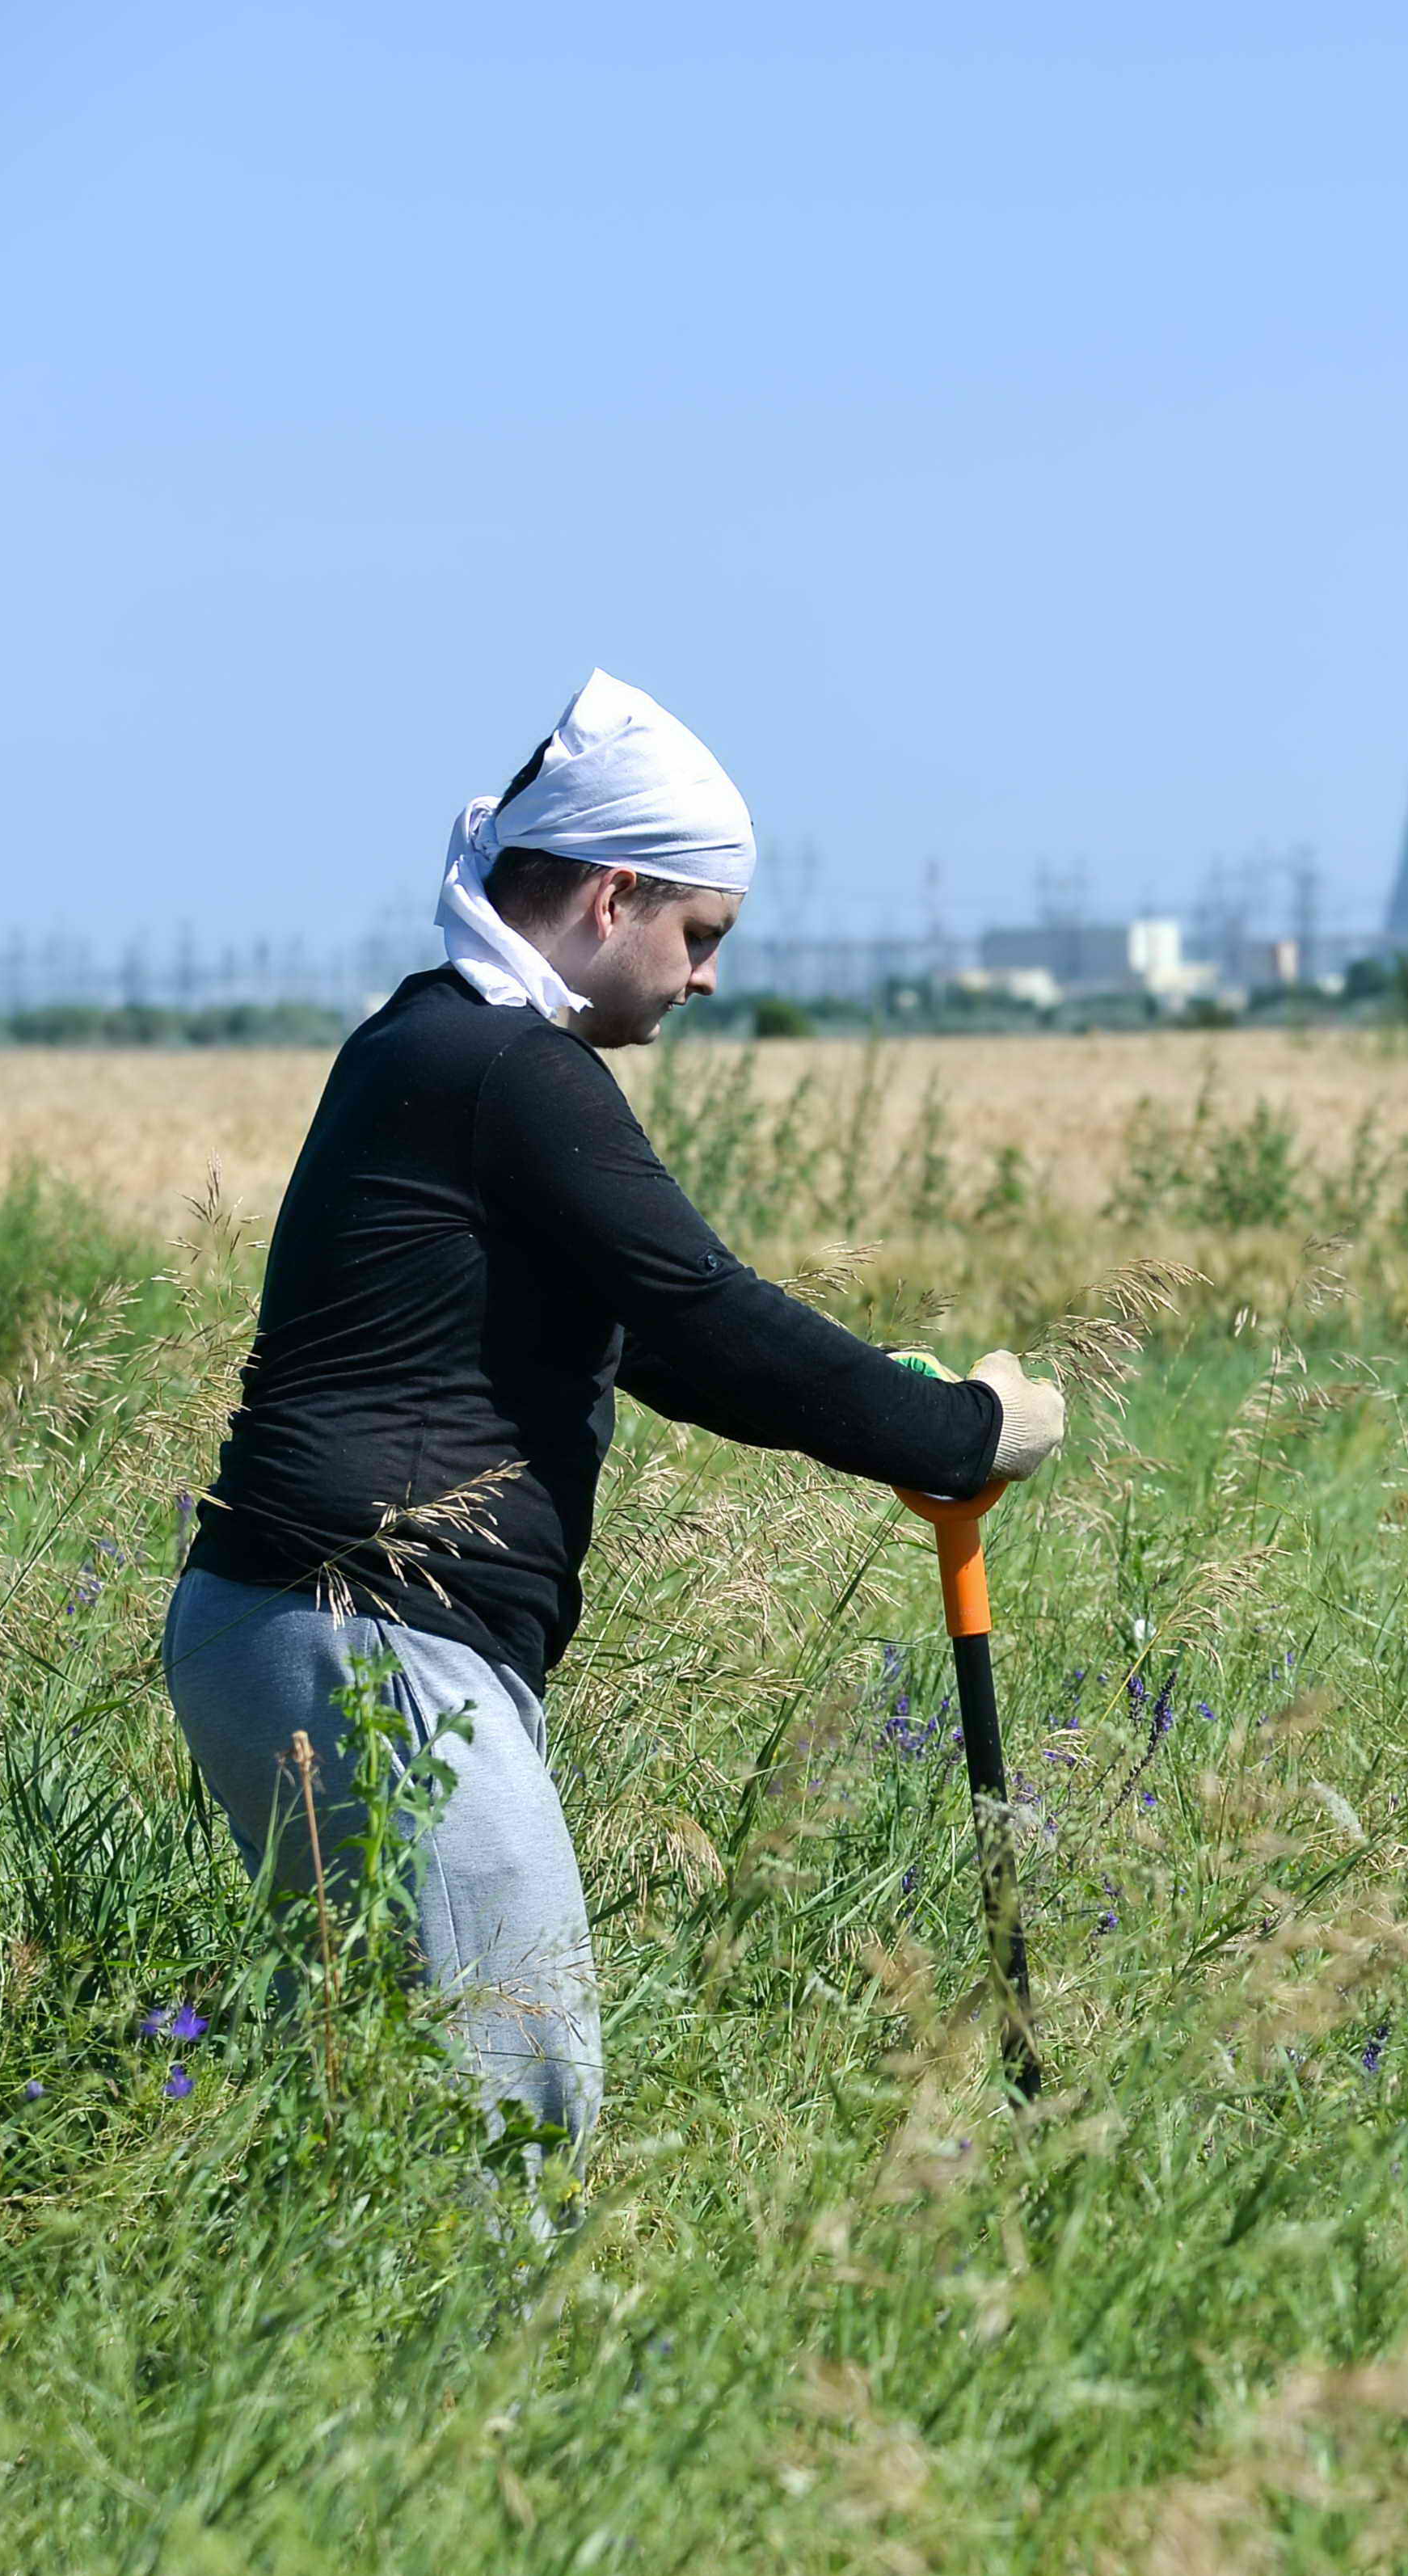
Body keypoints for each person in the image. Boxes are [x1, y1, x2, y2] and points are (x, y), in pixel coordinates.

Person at [162, 669, 1063, 2160]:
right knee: (511, 2098)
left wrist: (896, 1408)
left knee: (391, 2090)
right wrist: (965, 1436)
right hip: (373, 1638)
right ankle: (483, 2385)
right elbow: (710, 1305)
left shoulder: (430, 1040)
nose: (706, 977)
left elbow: (663, 1343)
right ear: (614, 896)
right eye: (699, 935)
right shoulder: (510, 1067)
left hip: (308, 1631)